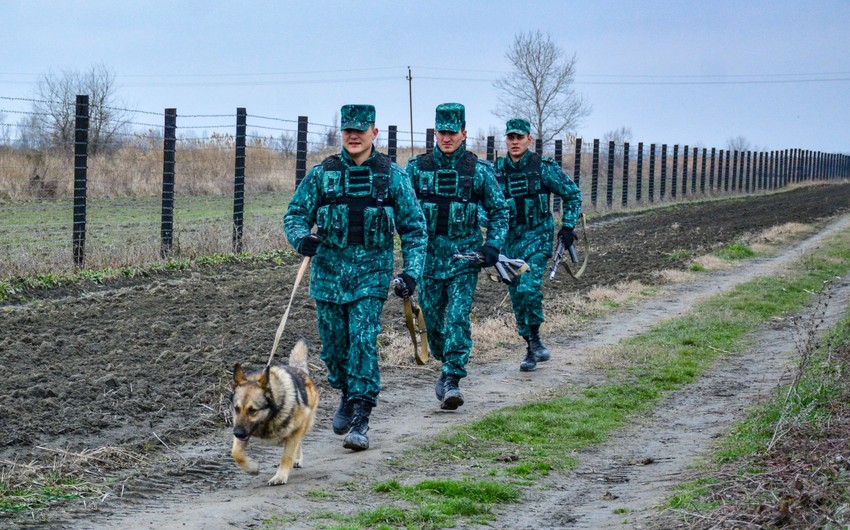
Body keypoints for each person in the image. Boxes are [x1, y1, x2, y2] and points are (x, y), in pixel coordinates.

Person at [284, 104, 427, 451]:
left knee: (363, 340)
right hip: (329, 277)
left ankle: (362, 416)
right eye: (347, 130)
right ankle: (347, 391)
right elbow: (295, 215)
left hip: (371, 276)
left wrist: (411, 272)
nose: (353, 136)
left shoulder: (392, 176)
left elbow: (415, 229)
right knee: (334, 351)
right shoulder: (322, 174)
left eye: (360, 130)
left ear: (373, 133)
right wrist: (301, 237)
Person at [405, 103, 509, 410]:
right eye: (441, 132)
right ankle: (444, 360)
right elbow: (402, 211)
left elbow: (500, 211)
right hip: (428, 260)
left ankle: (452, 378)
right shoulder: (416, 169)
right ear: (435, 132)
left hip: (465, 258)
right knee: (435, 324)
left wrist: (493, 246)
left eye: (452, 133)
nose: (447, 138)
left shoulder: (479, 171)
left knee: (458, 318)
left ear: (464, 133)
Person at [495, 118, 582, 372]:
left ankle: (535, 338)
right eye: (510, 138)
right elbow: (482, 204)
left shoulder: (543, 168)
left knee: (528, 288)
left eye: (519, 138)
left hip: (537, 238)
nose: (514, 142)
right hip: (509, 243)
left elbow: (572, 194)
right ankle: (529, 347)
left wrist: (567, 226)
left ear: (529, 140)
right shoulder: (496, 172)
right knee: (517, 297)